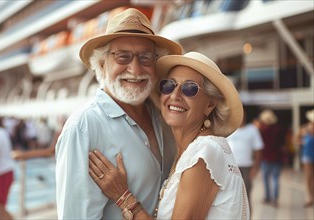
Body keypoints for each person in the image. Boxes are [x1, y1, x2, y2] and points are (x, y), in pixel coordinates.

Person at [89, 52, 249, 219]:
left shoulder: (204, 153)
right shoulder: (192, 151)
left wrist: (123, 196)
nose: (175, 95)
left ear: (209, 105)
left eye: (189, 88)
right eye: (168, 85)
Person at [55, 8, 182, 219]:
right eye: (123, 57)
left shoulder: (164, 117)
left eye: (146, 57)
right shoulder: (84, 126)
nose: (135, 69)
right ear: (103, 64)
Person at [227, 107, 263, 213]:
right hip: (230, 168)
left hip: (246, 167)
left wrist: (255, 168)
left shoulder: (252, 130)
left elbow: (258, 150)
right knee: (231, 198)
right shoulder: (228, 129)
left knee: (246, 197)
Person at [258, 109, 287, 208]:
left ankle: (267, 197)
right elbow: (283, 144)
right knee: (275, 178)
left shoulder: (261, 130)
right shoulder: (279, 129)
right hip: (277, 157)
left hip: (265, 157)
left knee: (265, 178)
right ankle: (275, 199)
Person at [300, 109, 314, 207]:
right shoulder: (306, 129)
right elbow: (296, 139)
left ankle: (311, 198)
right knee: (309, 179)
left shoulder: (307, 129)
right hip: (308, 156)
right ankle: (311, 198)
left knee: (309, 179)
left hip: (308, 156)